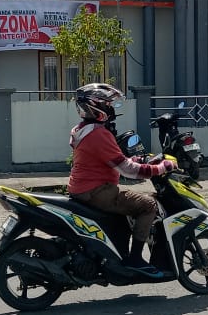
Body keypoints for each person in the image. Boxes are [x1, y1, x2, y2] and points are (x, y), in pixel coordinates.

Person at [67, 83, 176, 277]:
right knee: (148, 205)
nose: (112, 109)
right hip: (97, 191)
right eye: (109, 104)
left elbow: (110, 161)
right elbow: (128, 171)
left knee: (131, 204)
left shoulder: (81, 130)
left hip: (82, 188)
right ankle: (135, 259)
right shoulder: (99, 134)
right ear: (97, 106)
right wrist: (159, 168)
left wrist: (137, 160)